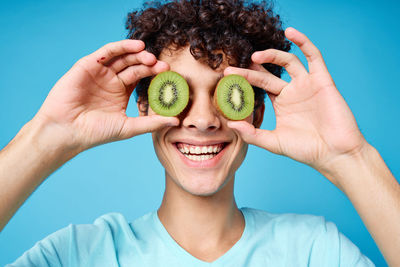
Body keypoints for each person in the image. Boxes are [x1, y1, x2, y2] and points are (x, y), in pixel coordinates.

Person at [1, 0, 399, 266]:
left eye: (228, 94)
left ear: (257, 111)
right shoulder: (77, 254)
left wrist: (350, 159)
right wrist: (46, 136)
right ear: (145, 104)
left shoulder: (315, 251)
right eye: (179, 94)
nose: (204, 119)